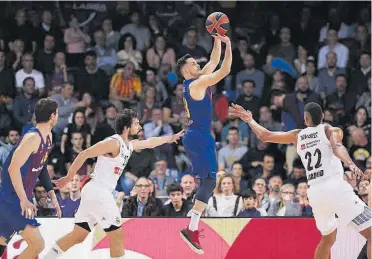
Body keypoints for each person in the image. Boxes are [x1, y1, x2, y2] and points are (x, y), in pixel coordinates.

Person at [229, 102, 371, 259]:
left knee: (328, 239)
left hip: (316, 193)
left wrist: (250, 120)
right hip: (335, 187)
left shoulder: (297, 135)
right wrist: (349, 163)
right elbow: (337, 147)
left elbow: (265, 135)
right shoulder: (330, 129)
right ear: (323, 117)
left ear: (305, 120)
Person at [44, 109, 184, 259]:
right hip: (98, 192)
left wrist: (171, 138)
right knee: (117, 235)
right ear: (126, 128)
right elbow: (84, 154)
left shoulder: (129, 145)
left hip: (95, 193)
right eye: (136, 124)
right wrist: (67, 178)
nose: (140, 127)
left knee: (78, 235)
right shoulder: (113, 143)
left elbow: (150, 142)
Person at [176, 33, 232, 254]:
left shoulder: (192, 82)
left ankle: (192, 222)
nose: (198, 64)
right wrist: (229, 44)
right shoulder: (197, 83)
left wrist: (217, 38)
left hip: (199, 135)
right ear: (187, 69)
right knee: (209, 182)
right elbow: (224, 69)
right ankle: (191, 226)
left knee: (208, 181)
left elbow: (212, 61)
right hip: (198, 135)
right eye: (193, 63)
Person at [0, 98, 61, 259]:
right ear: (52, 116)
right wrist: (23, 199)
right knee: (37, 244)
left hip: (18, 196)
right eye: (57, 113)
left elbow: (41, 167)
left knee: (1, 240)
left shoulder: (48, 137)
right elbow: (13, 168)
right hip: (12, 197)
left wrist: (52, 195)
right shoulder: (32, 138)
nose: (58, 116)